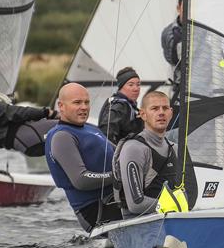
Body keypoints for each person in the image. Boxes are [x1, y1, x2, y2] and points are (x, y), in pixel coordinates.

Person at [45, 82, 122, 232]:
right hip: (96, 212)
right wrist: (118, 176)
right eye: (77, 103)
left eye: (86, 102)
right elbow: (81, 180)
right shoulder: (62, 136)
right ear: (61, 106)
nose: (84, 107)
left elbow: (121, 154)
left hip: (117, 199)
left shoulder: (91, 129)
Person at [113, 90, 187, 217]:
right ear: (143, 114)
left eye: (165, 108)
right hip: (139, 225)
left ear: (171, 113)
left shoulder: (175, 148)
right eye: (154, 108)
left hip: (171, 220)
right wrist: (174, 208)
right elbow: (136, 204)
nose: (161, 112)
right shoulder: (134, 148)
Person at [97, 66, 144, 145]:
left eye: (138, 84)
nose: (136, 88)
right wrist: (116, 153)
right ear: (121, 87)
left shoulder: (130, 106)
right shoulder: (120, 105)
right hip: (121, 155)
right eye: (131, 85)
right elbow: (106, 132)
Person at [160, 0, 184, 107]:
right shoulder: (168, 33)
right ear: (178, 8)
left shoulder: (204, 32)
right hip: (180, 89)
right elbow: (171, 60)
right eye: (185, 7)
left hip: (204, 87)